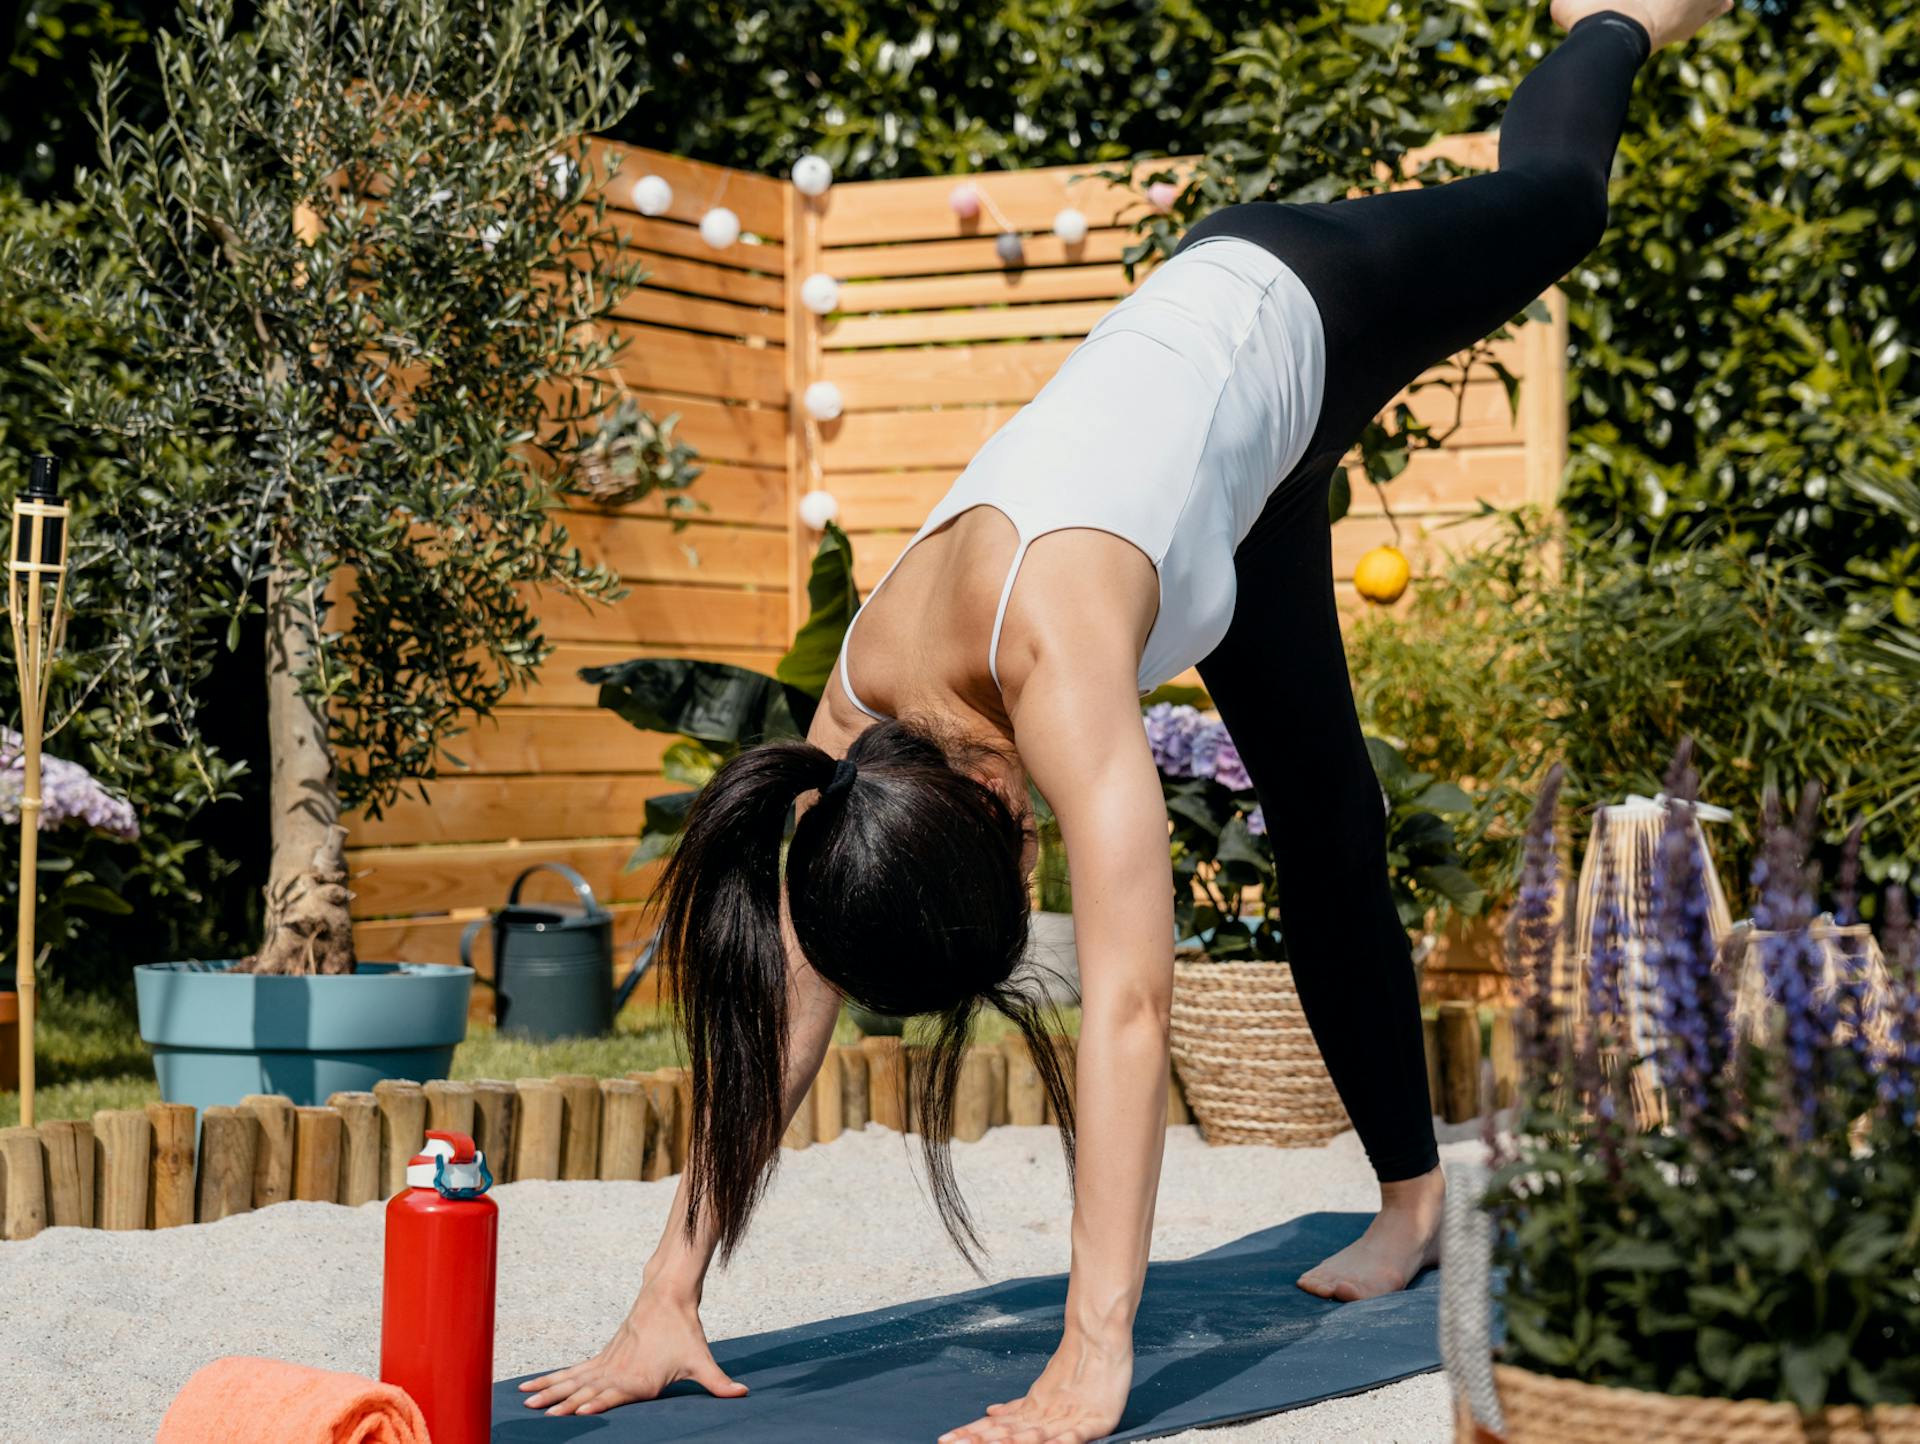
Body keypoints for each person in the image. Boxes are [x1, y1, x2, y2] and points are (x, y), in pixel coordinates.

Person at [522, 0, 1728, 1436]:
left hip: (1285, 297)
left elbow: (1132, 1007)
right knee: (1330, 821)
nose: (1038, 853)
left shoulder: (1061, 655)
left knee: (1559, 204)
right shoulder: (865, 718)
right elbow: (794, 988)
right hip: (1229, 503)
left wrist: (1097, 1353)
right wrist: (672, 1290)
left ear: (985, 806)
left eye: (1012, 860)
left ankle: (1622, 14)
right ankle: (1416, 1207)